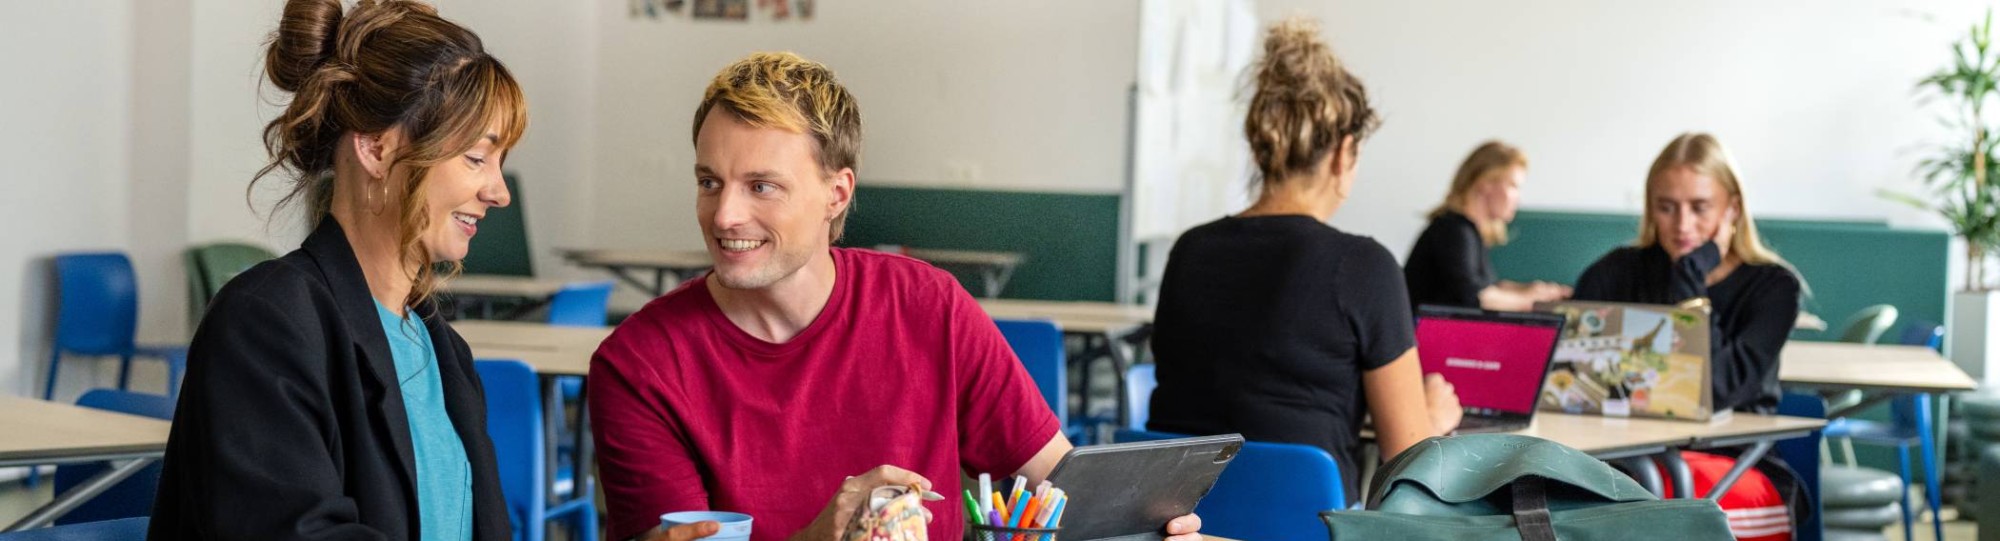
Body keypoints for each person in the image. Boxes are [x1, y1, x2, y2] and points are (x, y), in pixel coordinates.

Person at [587, 52, 1203, 541]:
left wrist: (1147, 526)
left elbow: (1060, 488)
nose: (724, 214)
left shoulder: (928, 307)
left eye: (761, 186)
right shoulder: (637, 365)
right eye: (708, 182)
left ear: (837, 193)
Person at [149, 0, 528, 538]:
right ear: (376, 148)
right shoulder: (264, 324)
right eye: (475, 158)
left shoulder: (443, 351)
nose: (499, 192)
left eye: (499, 162)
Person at [1144, 17, 1462, 497]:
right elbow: (1406, 462)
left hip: (1181, 522)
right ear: (1343, 154)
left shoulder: (1189, 251)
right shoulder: (1365, 266)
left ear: (1260, 146)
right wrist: (1435, 417)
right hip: (1309, 526)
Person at [1573, 132, 1802, 414]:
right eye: (1666, 207)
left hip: (1726, 450)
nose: (1682, 224)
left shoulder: (1775, 287)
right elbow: (1571, 376)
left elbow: (1715, 390)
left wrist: (1692, 272)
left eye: (1699, 208)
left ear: (1733, 209)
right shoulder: (1616, 270)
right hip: (1623, 447)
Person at [1403, 141, 1570, 311]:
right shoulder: (1453, 230)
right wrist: (1531, 301)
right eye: (1513, 186)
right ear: (1485, 183)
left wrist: (1528, 290)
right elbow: (1475, 295)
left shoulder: (1467, 231)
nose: (1518, 198)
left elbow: (1487, 285)